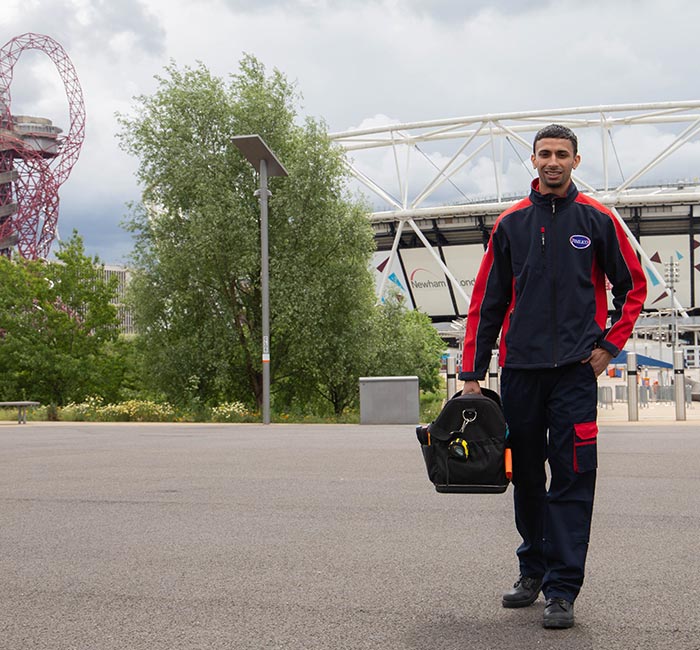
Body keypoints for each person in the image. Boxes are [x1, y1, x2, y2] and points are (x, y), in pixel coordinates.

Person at [459, 124, 646, 629]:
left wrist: (610, 345)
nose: (553, 161)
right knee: (525, 476)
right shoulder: (510, 224)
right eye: (545, 153)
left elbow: (635, 287)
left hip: (574, 375)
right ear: (534, 160)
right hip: (521, 371)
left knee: (572, 475)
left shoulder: (598, 219)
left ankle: (563, 588)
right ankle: (532, 571)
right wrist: (471, 373)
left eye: (562, 154)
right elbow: (485, 303)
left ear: (576, 161)